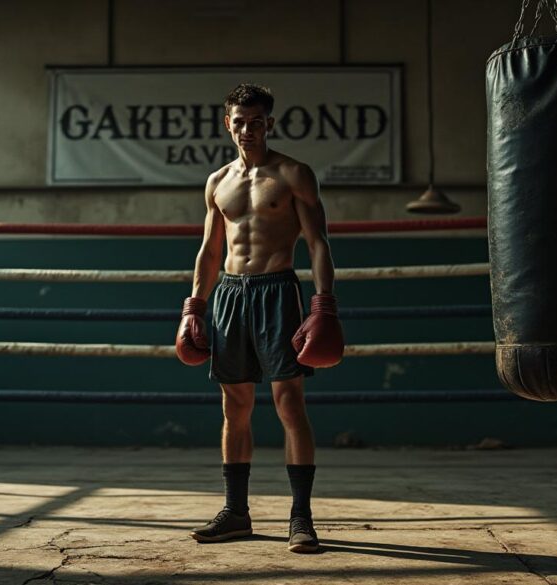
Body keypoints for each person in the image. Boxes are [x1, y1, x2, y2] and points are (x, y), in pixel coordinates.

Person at [175, 83, 344, 554]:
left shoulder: (293, 174)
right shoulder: (217, 182)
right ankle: (236, 513)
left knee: (290, 403)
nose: (247, 130)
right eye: (239, 121)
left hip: (278, 291)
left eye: (256, 122)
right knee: (235, 407)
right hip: (230, 294)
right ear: (226, 123)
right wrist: (195, 306)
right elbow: (210, 250)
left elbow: (318, 243)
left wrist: (322, 302)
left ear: (270, 123)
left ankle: (301, 518)